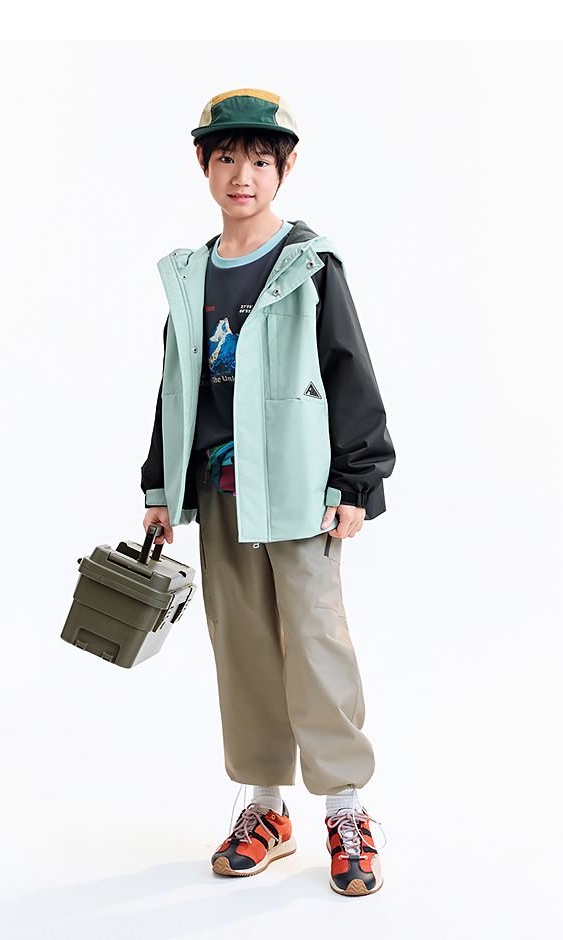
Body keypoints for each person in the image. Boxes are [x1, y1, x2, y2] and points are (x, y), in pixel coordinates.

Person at [140, 88, 395, 896]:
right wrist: (159, 484)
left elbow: (349, 369)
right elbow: (176, 386)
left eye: (259, 160)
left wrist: (357, 479)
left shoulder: (309, 263)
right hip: (220, 492)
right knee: (242, 647)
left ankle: (346, 809)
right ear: (203, 165)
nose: (242, 175)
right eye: (226, 158)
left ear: (285, 169)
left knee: (316, 643)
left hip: (299, 491)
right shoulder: (191, 276)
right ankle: (266, 808)